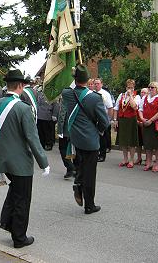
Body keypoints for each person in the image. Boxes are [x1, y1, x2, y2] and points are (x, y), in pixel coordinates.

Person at [0, 69, 49, 249]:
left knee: (14, 192)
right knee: (22, 199)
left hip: (2, 161)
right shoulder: (24, 109)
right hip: (21, 164)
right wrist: (44, 163)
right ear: (20, 86)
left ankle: (8, 223)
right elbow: (32, 138)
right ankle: (19, 237)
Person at [62, 65, 109, 214]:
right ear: (88, 80)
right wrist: (99, 131)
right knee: (90, 172)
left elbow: (65, 89)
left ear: (75, 79)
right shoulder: (95, 98)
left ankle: (78, 184)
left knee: (80, 166)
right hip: (90, 140)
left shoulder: (67, 94)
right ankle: (89, 205)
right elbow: (104, 122)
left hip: (74, 139)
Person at [138, 82, 158, 172]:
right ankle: (149, 162)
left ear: (157, 88)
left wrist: (151, 120)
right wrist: (143, 119)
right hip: (146, 123)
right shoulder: (145, 98)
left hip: (156, 124)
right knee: (148, 145)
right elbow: (140, 109)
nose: (150, 89)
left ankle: (157, 164)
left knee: (157, 146)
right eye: (149, 87)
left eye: (152, 87)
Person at [112, 79, 141, 168]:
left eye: (132, 88)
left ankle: (131, 160)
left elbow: (134, 107)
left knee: (131, 141)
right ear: (126, 87)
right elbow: (116, 108)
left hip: (131, 120)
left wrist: (130, 96)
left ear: (134, 87)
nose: (130, 89)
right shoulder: (121, 95)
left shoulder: (137, 96)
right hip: (122, 120)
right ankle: (125, 159)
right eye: (128, 87)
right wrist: (115, 119)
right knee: (123, 140)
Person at [93, 78, 113, 162]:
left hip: (102, 119)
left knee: (102, 138)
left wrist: (108, 120)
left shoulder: (105, 94)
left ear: (101, 84)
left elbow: (110, 107)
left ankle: (102, 155)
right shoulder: (92, 93)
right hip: (94, 119)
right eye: (95, 83)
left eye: (98, 83)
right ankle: (96, 153)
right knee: (95, 137)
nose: (96, 85)